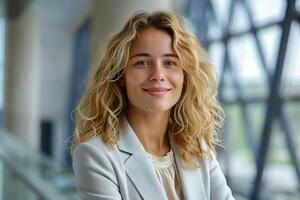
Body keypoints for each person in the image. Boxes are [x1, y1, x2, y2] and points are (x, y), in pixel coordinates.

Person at [71, 10, 235, 200]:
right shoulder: (95, 154)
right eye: (142, 62)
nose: (158, 74)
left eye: (170, 62)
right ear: (121, 75)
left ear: (185, 74)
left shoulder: (198, 149)